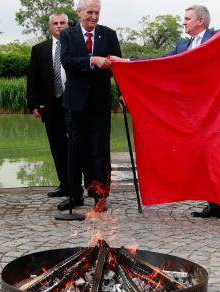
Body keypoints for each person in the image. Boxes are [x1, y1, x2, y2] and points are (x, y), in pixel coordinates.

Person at [113, 3, 220, 223]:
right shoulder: (181, 45)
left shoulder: (217, 37)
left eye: (187, 18)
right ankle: (215, 206)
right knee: (204, 157)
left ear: (200, 21)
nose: (183, 22)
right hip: (193, 114)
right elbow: (159, 63)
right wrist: (127, 63)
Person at [58, 0, 122, 212]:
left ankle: (99, 196)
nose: (94, 17)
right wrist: (91, 60)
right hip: (74, 104)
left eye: (97, 12)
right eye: (90, 12)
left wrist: (123, 95)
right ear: (79, 12)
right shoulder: (68, 34)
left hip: (100, 103)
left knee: (99, 150)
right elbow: (66, 61)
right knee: (75, 150)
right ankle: (75, 195)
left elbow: (119, 68)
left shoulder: (109, 34)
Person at [26, 12, 70, 199]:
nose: (59, 26)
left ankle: (82, 185)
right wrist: (33, 103)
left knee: (77, 145)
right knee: (57, 146)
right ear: (49, 26)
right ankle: (65, 185)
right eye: (55, 23)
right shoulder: (39, 49)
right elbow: (33, 78)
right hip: (50, 105)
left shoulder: (77, 46)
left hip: (74, 103)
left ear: (68, 25)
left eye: (62, 23)